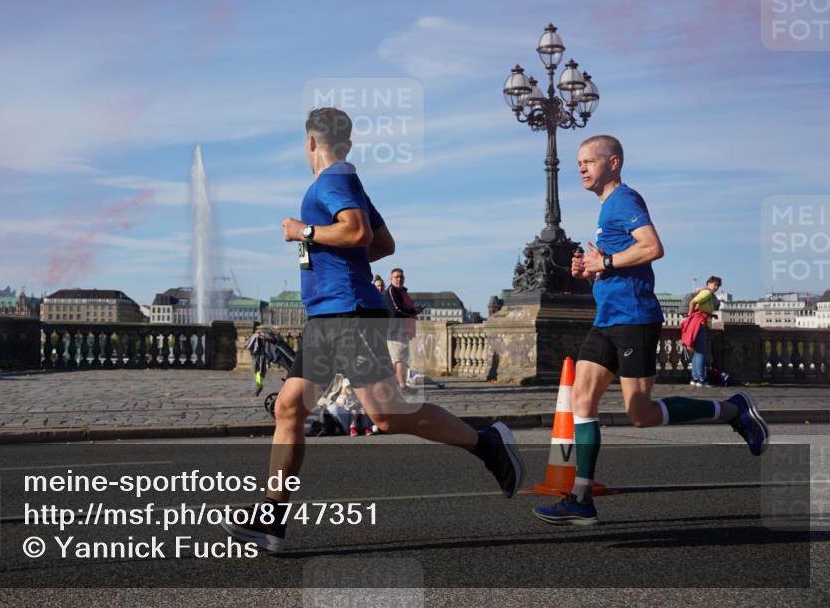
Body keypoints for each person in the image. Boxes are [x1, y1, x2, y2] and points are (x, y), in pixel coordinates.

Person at [220, 107, 524, 552]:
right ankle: (272, 520)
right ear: (346, 142)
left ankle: (489, 444)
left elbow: (358, 231)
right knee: (289, 408)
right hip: (331, 313)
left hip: (348, 314)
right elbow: (383, 244)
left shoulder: (333, 180)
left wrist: (301, 231)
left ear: (310, 143)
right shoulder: (348, 180)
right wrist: (338, 254)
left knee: (387, 414)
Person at [532, 135, 768, 527]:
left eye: (589, 161)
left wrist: (604, 260)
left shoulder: (624, 199)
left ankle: (733, 410)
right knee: (581, 402)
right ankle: (580, 499)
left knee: (639, 414)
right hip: (607, 319)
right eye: (578, 164)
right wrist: (589, 270)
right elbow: (618, 266)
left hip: (635, 319)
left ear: (614, 162)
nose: (581, 169)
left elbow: (653, 247)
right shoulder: (607, 207)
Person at [386, 268, 419, 389]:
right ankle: (402, 385)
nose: (399, 279)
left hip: (404, 329)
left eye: (401, 277)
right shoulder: (392, 291)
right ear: (391, 279)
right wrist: (412, 313)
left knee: (401, 357)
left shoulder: (402, 292)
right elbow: (397, 309)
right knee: (399, 357)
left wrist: (414, 312)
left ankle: (397, 384)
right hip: (395, 329)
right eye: (396, 277)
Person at [687, 276, 722, 386]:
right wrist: (690, 315)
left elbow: (700, 308)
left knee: (697, 352)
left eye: (718, 286)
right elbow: (693, 302)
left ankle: (695, 378)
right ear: (709, 283)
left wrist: (711, 315)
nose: (716, 287)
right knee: (701, 352)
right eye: (715, 285)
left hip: (700, 322)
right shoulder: (707, 293)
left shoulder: (705, 293)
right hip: (701, 323)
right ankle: (701, 378)